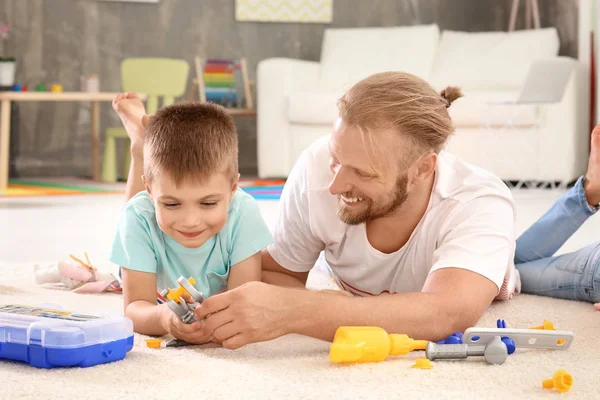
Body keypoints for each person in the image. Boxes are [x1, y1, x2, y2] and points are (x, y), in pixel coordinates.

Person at [109, 97, 274, 345]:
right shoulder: (138, 218)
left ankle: (144, 144)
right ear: (151, 192)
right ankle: (140, 146)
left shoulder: (243, 211)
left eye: (208, 204)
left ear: (232, 190)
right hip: (143, 235)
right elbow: (135, 308)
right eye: (171, 204)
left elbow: (244, 301)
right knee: (132, 211)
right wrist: (163, 317)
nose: (190, 222)